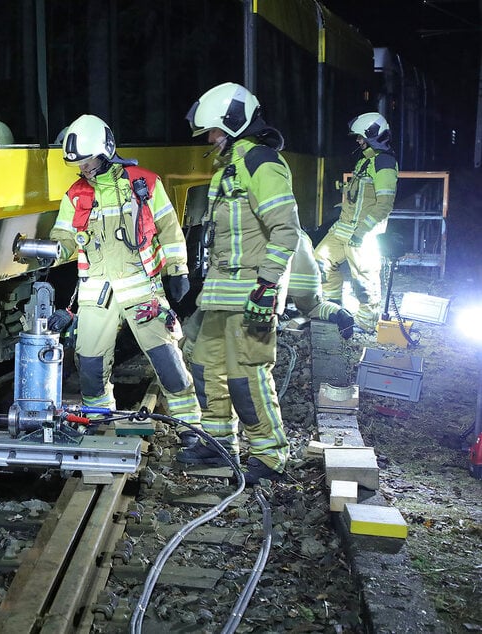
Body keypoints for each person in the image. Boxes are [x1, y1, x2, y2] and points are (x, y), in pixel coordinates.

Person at [47, 114, 201, 443]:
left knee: (167, 360)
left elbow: (169, 229)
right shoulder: (75, 195)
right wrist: (52, 251)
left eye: (88, 161)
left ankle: (190, 427)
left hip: (142, 289)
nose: (83, 169)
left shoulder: (144, 183)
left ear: (105, 152)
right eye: (79, 164)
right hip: (96, 292)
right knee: (90, 364)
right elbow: (64, 237)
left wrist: (178, 269)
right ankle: (98, 420)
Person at [179, 82, 297, 485]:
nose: (210, 139)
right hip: (220, 293)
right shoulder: (231, 166)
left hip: (250, 294)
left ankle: (270, 455)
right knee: (203, 363)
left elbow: (285, 230)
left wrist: (267, 287)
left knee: (246, 375)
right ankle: (218, 443)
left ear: (232, 124)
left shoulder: (262, 164)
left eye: (213, 131)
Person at [314, 112, 399, 333]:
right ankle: (333, 309)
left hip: (363, 233)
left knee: (364, 278)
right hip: (344, 227)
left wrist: (362, 231)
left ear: (373, 135)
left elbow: (384, 204)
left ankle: (367, 323)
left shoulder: (384, 163)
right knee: (321, 260)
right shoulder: (365, 160)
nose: (359, 141)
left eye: (361, 136)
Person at [288, 230, 355, 338]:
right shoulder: (302, 234)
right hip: (309, 282)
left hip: (282, 280)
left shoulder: (265, 229)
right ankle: (339, 313)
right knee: (313, 309)